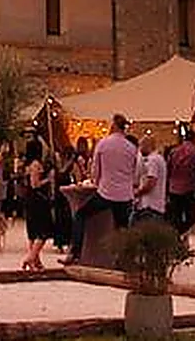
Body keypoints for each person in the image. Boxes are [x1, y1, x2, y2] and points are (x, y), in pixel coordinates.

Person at [61, 114, 139, 267]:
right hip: (125, 195)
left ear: (114, 126)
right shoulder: (131, 148)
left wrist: (96, 182)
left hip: (106, 192)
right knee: (122, 228)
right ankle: (123, 261)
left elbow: (96, 170)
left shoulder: (103, 144)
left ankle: (75, 252)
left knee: (81, 215)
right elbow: (135, 173)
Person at [20, 138, 57, 270]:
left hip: (29, 199)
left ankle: (36, 260)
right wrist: (48, 179)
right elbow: (34, 184)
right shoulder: (36, 164)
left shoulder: (26, 165)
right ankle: (31, 257)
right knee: (43, 230)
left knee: (33, 230)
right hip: (38, 199)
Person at [165, 128, 195, 235]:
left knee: (176, 217)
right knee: (191, 218)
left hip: (173, 189)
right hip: (188, 189)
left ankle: (176, 235)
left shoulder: (173, 151)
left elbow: (168, 170)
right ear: (194, 139)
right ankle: (178, 234)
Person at [131, 135, 167, 227]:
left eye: (140, 146)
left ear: (147, 146)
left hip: (149, 206)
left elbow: (150, 182)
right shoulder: (159, 159)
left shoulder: (152, 160)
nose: (139, 149)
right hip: (157, 205)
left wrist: (135, 193)